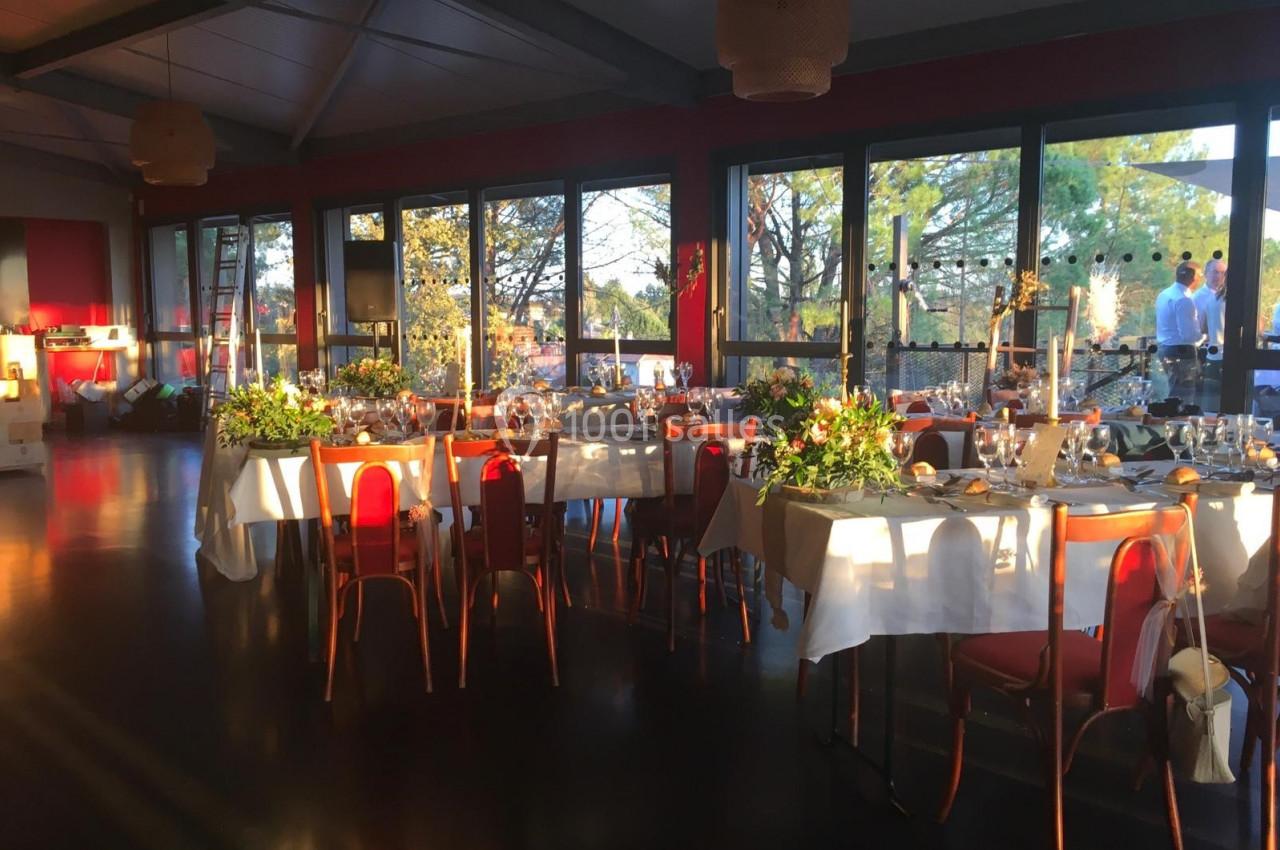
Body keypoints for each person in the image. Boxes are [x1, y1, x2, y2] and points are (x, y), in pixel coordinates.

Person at [1154, 260, 1203, 403]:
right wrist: (1205, 332)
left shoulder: (1164, 294)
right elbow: (1189, 336)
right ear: (1194, 278)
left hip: (1164, 348)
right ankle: (1180, 423)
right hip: (1182, 352)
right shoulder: (1184, 300)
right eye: (1199, 275)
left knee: (1174, 390)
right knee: (1184, 396)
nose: (1200, 279)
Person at [1193, 258, 1227, 408]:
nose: (1218, 276)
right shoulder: (1198, 298)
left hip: (1215, 354)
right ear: (1206, 274)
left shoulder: (1217, 297)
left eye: (1222, 273)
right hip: (1207, 351)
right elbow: (1199, 328)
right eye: (1215, 272)